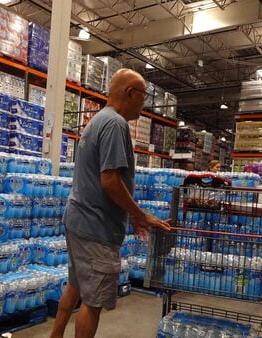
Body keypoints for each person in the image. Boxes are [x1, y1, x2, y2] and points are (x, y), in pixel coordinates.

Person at [49, 69, 171, 338]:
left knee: (76, 285)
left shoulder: (97, 121)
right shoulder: (115, 124)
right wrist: (140, 214)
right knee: (92, 303)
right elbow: (111, 180)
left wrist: (134, 217)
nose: (144, 102)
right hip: (96, 228)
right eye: (143, 96)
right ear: (130, 93)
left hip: (79, 220)